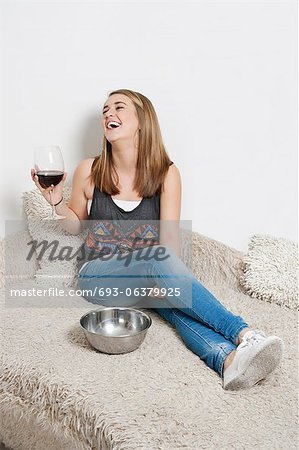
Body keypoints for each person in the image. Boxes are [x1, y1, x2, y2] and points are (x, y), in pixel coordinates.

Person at [31, 88, 283, 390]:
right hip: (97, 276)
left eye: (119, 108)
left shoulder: (166, 174)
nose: (109, 113)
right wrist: (56, 202)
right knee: (156, 263)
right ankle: (242, 333)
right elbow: (74, 227)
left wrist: (166, 282)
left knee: (176, 307)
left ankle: (227, 361)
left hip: (148, 273)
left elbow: (169, 241)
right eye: (105, 110)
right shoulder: (89, 169)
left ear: (142, 121)